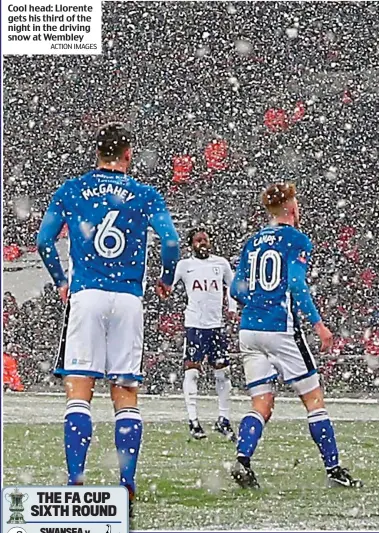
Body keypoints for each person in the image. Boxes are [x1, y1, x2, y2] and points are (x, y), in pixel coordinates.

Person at [36, 123, 179, 516]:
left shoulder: (72, 190)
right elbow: (170, 241)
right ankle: (126, 486)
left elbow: (43, 240)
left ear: (97, 153)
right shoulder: (145, 194)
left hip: (87, 295)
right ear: (128, 153)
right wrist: (166, 278)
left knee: (79, 390)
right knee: (125, 395)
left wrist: (62, 281)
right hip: (129, 299)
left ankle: (76, 482)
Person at [229, 182, 361, 489]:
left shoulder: (254, 241)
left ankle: (243, 459)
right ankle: (334, 469)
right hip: (281, 329)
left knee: (261, 403)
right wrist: (318, 324)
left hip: (249, 330)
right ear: (291, 207)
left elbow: (236, 289)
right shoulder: (297, 240)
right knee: (314, 400)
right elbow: (298, 285)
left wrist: (256, 302)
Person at [172, 229, 237, 441]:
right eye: (198, 241)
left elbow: (233, 285)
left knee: (223, 373)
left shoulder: (221, 263)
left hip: (216, 326)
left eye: (205, 240)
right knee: (192, 372)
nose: (203, 243)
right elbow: (168, 284)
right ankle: (193, 421)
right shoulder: (185, 265)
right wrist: (164, 289)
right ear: (191, 244)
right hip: (194, 326)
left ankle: (224, 419)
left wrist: (233, 307)